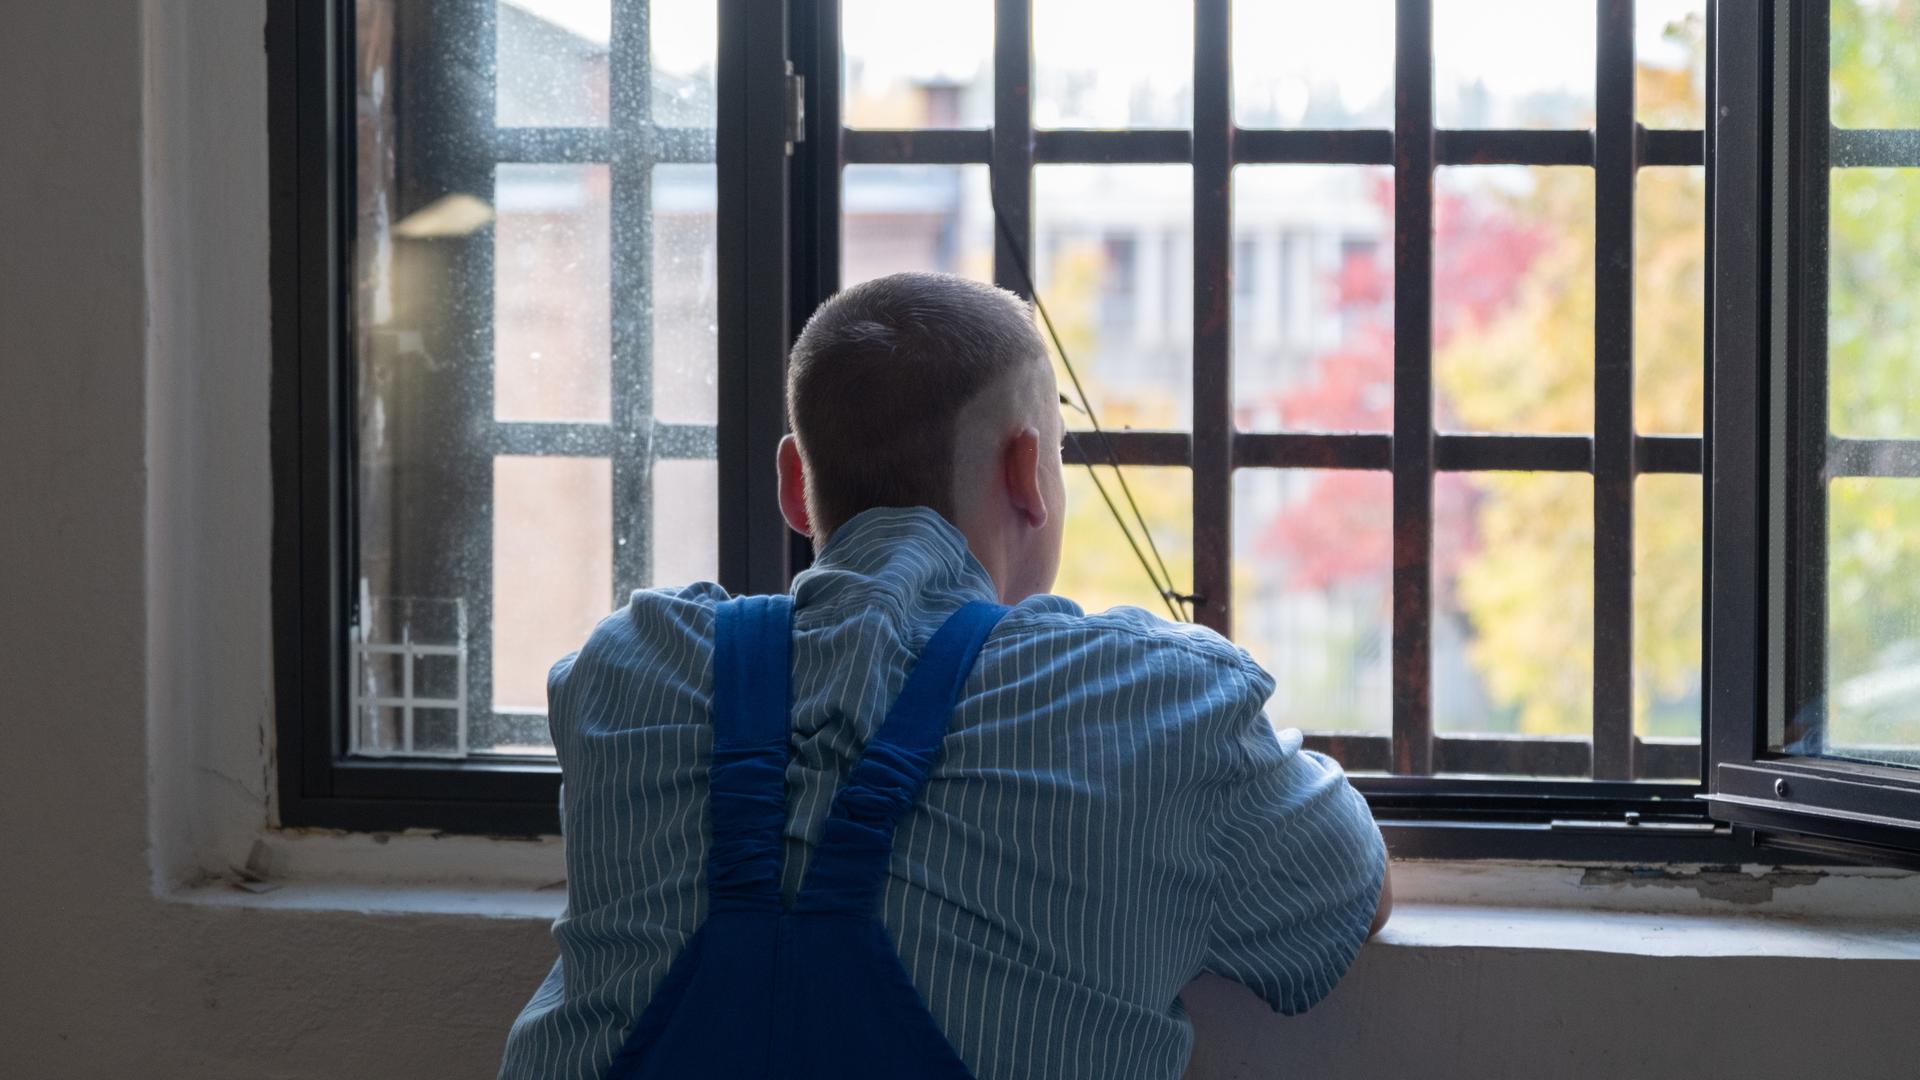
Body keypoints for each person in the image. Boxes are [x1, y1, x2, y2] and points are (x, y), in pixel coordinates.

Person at [499, 271, 1389, 1080]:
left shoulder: (625, 674)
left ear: (794, 483)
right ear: (1027, 472)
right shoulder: (1161, 706)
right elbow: (1351, 891)